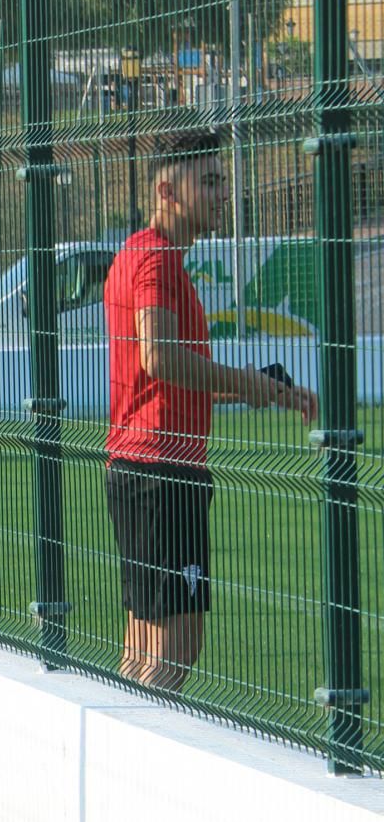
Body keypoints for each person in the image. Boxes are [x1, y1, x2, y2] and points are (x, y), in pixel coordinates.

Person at [103, 129, 317, 691]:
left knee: (142, 649)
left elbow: (170, 382)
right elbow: (159, 357)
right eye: (212, 181)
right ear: (169, 190)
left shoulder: (143, 255)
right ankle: (137, 768)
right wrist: (244, 379)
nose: (224, 193)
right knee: (175, 648)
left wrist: (262, 388)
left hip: (142, 470)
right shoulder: (154, 261)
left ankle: (118, 759)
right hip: (161, 473)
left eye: (224, 180)